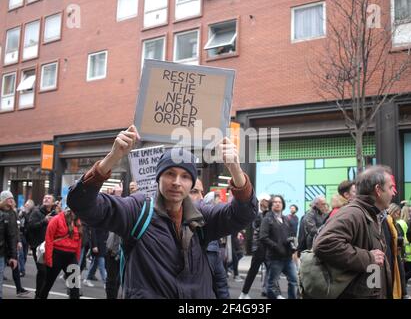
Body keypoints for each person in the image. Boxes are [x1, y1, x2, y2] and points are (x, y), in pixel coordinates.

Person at [67, 125, 257, 298]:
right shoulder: (138, 210)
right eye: (169, 174)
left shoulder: (202, 216)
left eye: (184, 176)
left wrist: (235, 170)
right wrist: (112, 158)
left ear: (192, 183)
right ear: (158, 178)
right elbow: (82, 204)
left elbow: (243, 215)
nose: (176, 182)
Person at [313, 165, 395, 298]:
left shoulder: (372, 214)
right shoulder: (353, 213)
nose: (393, 192)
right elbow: (324, 244)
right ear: (378, 190)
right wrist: (369, 257)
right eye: (390, 187)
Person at [259, 195, 298, 299]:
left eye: (280, 202)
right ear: (271, 205)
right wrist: (276, 246)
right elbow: (263, 237)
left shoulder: (286, 219)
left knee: (294, 281)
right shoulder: (267, 219)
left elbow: (290, 235)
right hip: (275, 257)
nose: (277, 203)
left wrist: (292, 244)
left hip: (288, 257)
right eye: (275, 202)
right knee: (271, 284)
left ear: (283, 205)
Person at [39, 208, 82, 299]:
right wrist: (48, 259)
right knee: (47, 284)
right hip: (56, 255)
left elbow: (78, 242)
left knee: (75, 287)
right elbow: (49, 239)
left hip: (71, 256)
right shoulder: (57, 219)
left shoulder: (78, 221)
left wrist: (77, 258)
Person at [239, 193, 272, 299]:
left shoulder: (268, 214)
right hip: (259, 247)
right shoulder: (258, 215)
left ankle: (273, 293)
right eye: (264, 201)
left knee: (272, 271)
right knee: (254, 271)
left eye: (267, 202)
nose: (265, 203)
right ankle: (244, 293)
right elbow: (259, 228)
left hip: (267, 247)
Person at [201, 189, 230, 299]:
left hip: (215, 248)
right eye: (194, 191)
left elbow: (221, 284)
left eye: (201, 193)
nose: (199, 197)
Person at [27, 194, 57, 298]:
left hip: (50, 246)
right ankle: (38, 295)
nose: (46, 199)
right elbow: (30, 226)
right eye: (45, 197)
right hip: (38, 247)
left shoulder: (55, 214)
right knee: (42, 271)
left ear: (53, 203)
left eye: (49, 198)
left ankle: (42, 294)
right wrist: (44, 221)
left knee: (47, 272)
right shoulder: (36, 212)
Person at [0, 191, 19, 299]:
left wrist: (13, 256)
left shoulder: (13, 213)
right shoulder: (7, 214)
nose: (11, 200)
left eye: (12, 198)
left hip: (2, 252)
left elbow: (13, 234)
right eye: (8, 198)